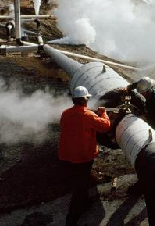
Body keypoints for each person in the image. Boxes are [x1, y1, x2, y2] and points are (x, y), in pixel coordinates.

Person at [59, 86, 111, 226]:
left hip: (67, 154)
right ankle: (73, 217)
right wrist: (103, 113)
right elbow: (105, 126)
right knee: (81, 185)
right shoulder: (88, 115)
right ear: (85, 100)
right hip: (82, 156)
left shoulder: (65, 113)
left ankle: (84, 199)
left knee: (78, 178)